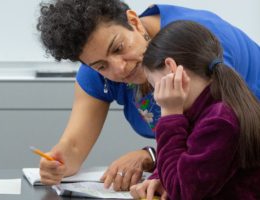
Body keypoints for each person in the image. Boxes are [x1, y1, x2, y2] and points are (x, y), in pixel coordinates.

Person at [36, 0, 260, 191]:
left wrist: (151, 157)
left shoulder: (193, 43)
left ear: (134, 21)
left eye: (118, 48)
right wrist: (57, 163)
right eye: (101, 66)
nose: (119, 69)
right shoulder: (98, 72)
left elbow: (212, 144)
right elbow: (74, 146)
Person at [130, 20, 260, 200]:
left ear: (171, 69)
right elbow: (184, 163)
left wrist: (170, 116)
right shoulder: (210, 108)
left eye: (153, 86)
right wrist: (159, 178)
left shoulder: (219, 121)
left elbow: (183, 192)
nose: (154, 96)